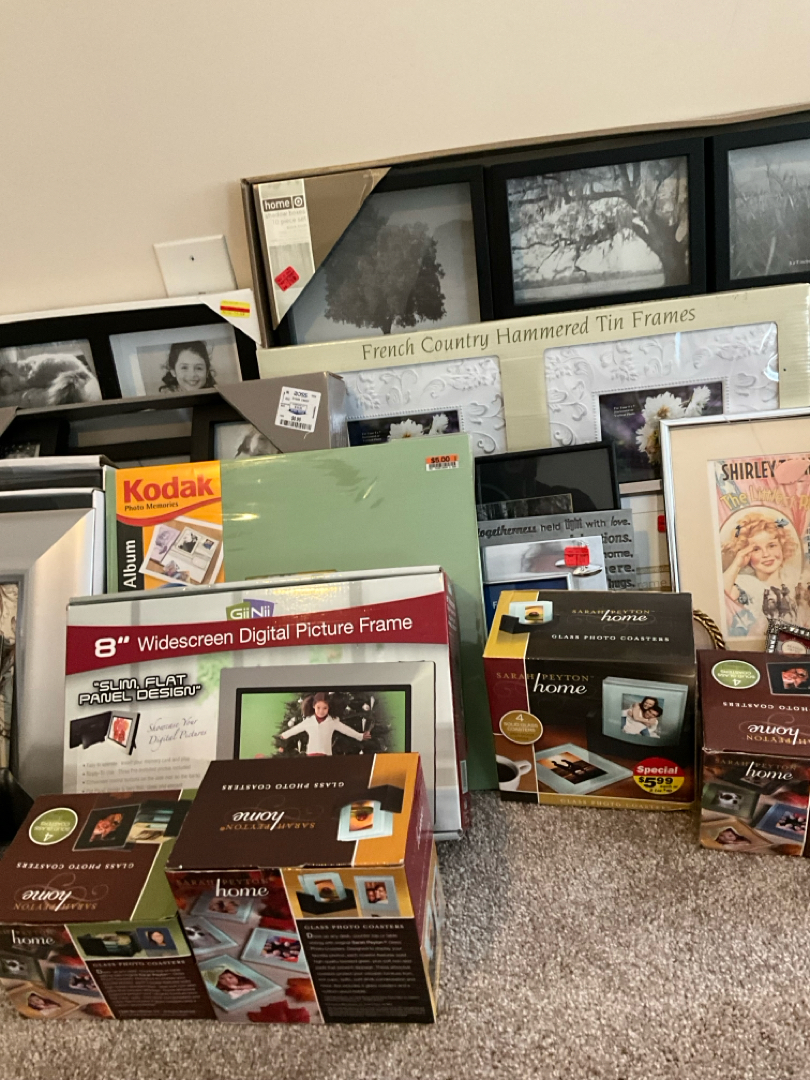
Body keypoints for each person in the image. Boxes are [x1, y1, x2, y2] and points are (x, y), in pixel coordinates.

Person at [722, 514, 800, 638]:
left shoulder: (794, 584)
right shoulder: (746, 584)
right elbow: (722, 596)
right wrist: (737, 564)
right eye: (756, 549)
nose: (766, 554)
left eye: (772, 546)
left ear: (782, 546)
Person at [280, 692, 371, 756]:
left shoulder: (332, 721)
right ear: (313, 706)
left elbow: (346, 730)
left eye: (325, 708)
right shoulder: (309, 721)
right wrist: (284, 735)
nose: (321, 711)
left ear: (328, 708)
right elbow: (296, 729)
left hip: (326, 754)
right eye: (318, 707)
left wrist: (360, 736)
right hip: (311, 753)